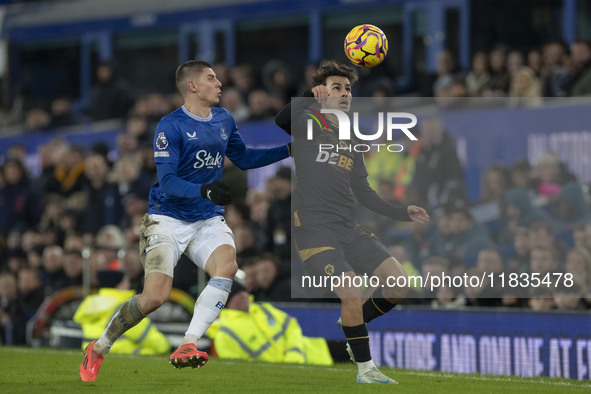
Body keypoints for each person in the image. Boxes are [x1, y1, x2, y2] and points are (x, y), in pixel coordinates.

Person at [79, 60, 290, 382]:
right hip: (166, 219)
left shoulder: (224, 119)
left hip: (206, 219)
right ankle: (100, 346)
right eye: (211, 78)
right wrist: (204, 190)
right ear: (192, 86)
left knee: (227, 268)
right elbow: (167, 182)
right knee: (154, 298)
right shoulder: (170, 126)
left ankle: (188, 344)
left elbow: (246, 158)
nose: (219, 83)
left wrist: (290, 148)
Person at [275, 61, 429, 384]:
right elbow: (281, 120)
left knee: (399, 284)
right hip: (314, 230)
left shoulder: (350, 138)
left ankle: (352, 324)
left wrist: (403, 212)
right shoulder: (308, 122)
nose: (344, 94)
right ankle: (365, 370)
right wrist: (307, 96)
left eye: (347, 89)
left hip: (348, 228)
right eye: (336, 88)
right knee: (351, 288)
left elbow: (364, 192)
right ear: (322, 93)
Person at [207, 281, 332, 365]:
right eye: (237, 294)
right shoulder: (224, 332)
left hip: (315, 358)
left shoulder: (263, 308)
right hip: (280, 376)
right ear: (227, 301)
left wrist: (294, 353)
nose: (243, 295)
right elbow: (237, 367)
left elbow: (291, 325)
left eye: (243, 291)